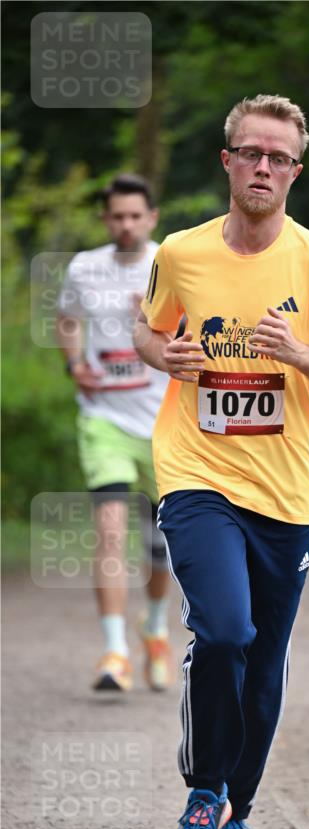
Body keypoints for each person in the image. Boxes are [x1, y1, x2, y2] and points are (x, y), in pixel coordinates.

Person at [134, 94, 309, 829]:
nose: (263, 166)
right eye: (250, 152)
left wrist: (298, 355)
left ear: (295, 172)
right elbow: (149, 326)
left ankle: (239, 808)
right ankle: (204, 790)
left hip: (287, 492)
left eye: (278, 157)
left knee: (264, 661)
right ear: (227, 162)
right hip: (196, 470)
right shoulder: (180, 251)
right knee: (225, 630)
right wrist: (158, 354)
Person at [57, 174, 173, 693]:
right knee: (108, 531)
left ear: (151, 218)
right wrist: (75, 362)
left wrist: (155, 323)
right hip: (104, 417)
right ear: (105, 220)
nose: (126, 225)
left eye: (135, 216)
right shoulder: (85, 266)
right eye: (116, 217)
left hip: (163, 424)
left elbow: (203, 325)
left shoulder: (170, 263)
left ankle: (154, 626)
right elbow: (66, 319)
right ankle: (114, 652)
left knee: (158, 547)